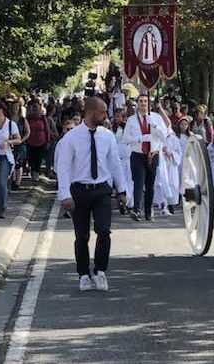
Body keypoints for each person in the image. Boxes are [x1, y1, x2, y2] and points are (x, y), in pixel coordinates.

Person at [56, 97, 127, 292]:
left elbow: (115, 163)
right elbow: (63, 167)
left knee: (104, 231)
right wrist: (65, 194)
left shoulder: (107, 136)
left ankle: (100, 271)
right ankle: (84, 274)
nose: (106, 116)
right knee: (82, 235)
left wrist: (121, 189)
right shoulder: (71, 138)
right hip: (80, 190)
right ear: (90, 113)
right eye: (102, 112)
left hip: (102, 189)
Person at [123, 94, 170, 221]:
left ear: (149, 104)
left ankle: (149, 211)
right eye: (141, 101)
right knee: (138, 182)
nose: (143, 104)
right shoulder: (132, 120)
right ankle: (137, 210)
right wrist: (140, 138)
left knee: (150, 184)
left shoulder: (156, 118)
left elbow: (164, 135)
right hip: (138, 154)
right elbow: (125, 138)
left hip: (152, 155)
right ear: (137, 104)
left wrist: (154, 125)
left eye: (145, 101)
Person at [7, 99, 30, 190]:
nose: (15, 109)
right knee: (11, 162)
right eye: (13, 107)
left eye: (17, 107)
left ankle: (17, 183)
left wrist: (21, 140)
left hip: (20, 145)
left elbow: (27, 132)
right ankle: (12, 179)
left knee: (18, 164)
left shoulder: (23, 120)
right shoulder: (8, 120)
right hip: (10, 144)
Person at [26, 100, 51, 181]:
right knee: (32, 158)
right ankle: (32, 170)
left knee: (39, 158)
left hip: (41, 142)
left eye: (37, 108)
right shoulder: (29, 118)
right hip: (31, 141)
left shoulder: (43, 118)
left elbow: (47, 130)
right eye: (34, 108)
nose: (35, 110)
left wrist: (47, 140)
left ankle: (36, 172)